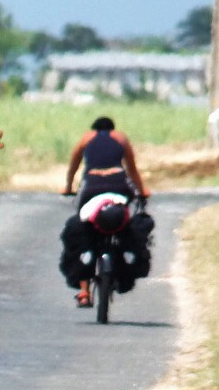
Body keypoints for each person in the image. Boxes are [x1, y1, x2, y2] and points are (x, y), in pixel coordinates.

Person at [60, 117, 151, 307]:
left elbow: (73, 167)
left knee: (84, 227)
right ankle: (121, 260)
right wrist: (142, 191)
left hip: (92, 184)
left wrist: (68, 187)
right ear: (112, 128)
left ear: (94, 128)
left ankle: (84, 292)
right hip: (118, 183)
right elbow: (132, 170)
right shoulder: (121, 138)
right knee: (123, 220)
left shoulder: (86, 138)